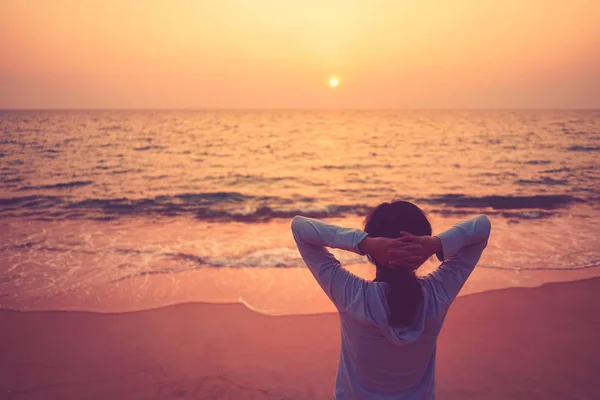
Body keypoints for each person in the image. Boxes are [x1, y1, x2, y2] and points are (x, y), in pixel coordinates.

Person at [291, 200, 491, 399]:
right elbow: (481, 226)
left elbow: (300, 228)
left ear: (373, 253)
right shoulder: (437, 294)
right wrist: (437, 244)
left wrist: (364, 243)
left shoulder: (353, 296)